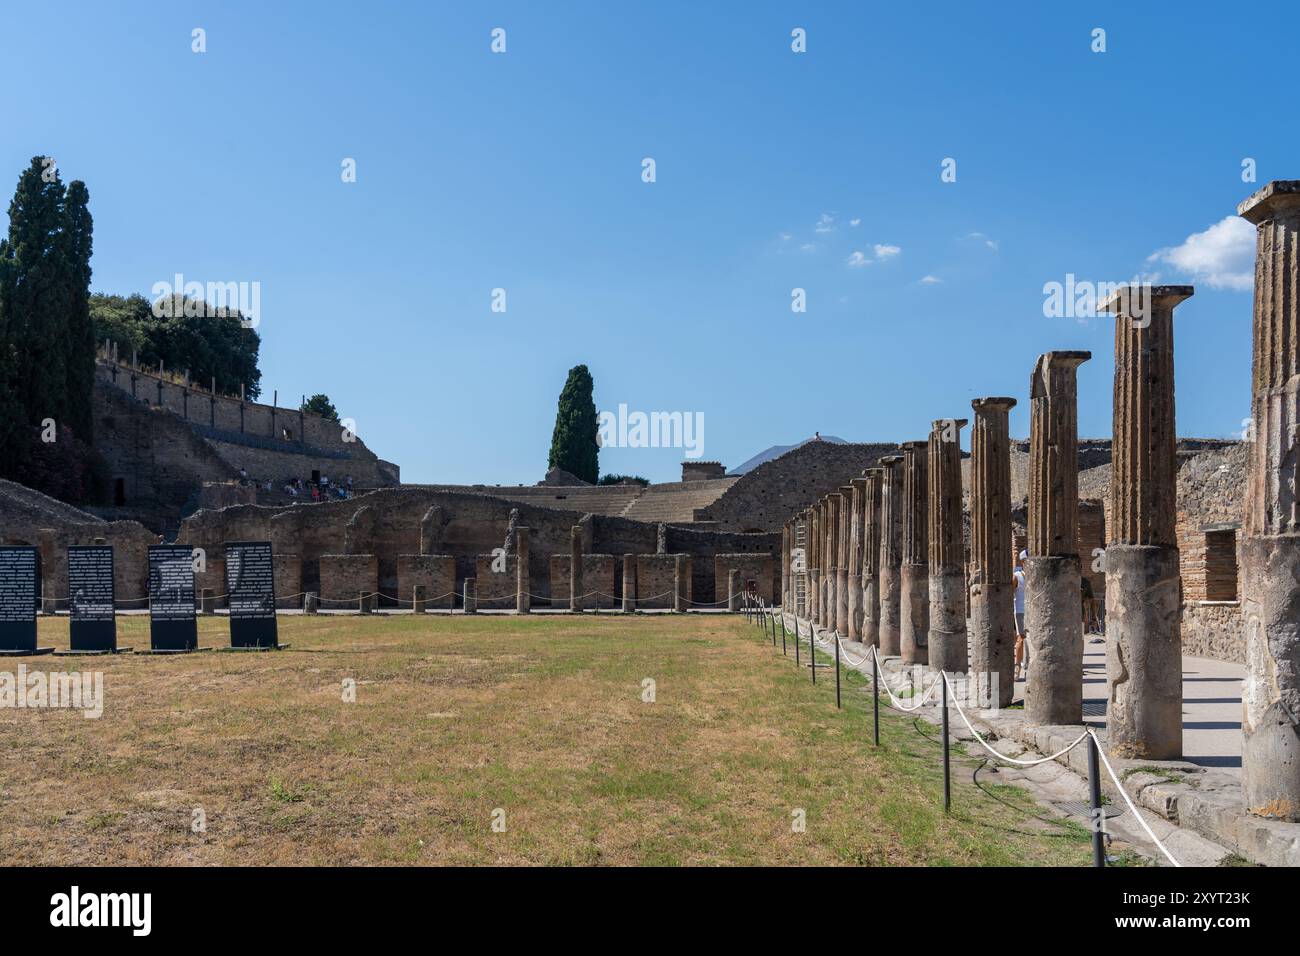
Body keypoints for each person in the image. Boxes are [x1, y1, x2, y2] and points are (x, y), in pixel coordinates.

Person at [1013, 550, 1028, 681]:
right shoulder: (1017, 576)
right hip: (1021, 611)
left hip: (1033, 611)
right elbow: (1010, 593)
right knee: (1021, 639)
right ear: (1023, 562)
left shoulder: (1037, 574)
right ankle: (1017, 667)